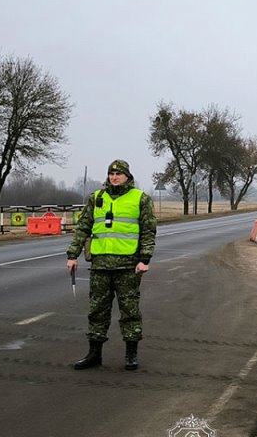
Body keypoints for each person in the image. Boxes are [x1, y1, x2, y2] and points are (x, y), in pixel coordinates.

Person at [67, 159, 156, 371]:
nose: (114, 177)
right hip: (100, 266)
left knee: (130, 311)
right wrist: (72, 255)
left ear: (127, 176)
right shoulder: (96, 198)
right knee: (97, 310)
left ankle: (131, 354)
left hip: (127, 266)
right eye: (111, 174)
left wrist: (144, 259)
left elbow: (148, 231)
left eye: (118, 174)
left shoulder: (140, 199)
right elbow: (83, 227)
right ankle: (94, 353)